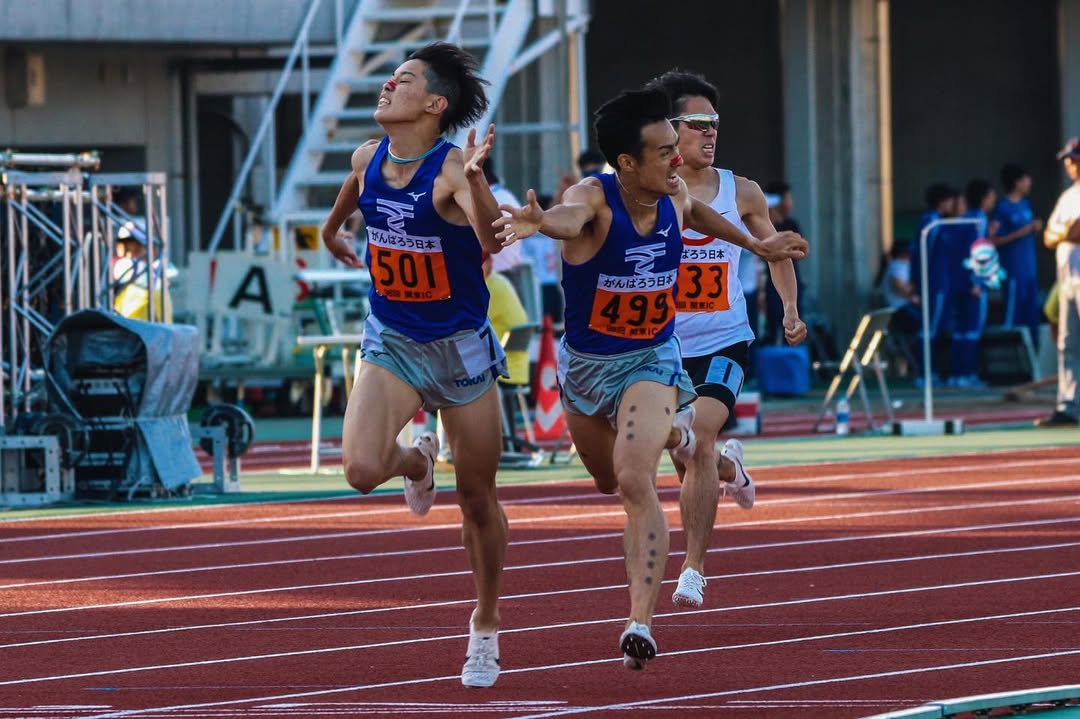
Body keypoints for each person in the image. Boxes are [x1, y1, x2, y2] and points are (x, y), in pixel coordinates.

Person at [493, 87, 807, 670]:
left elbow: (699, 214)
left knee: (636, 481)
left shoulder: (678, 192)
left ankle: (641, 619)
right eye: (665, 151)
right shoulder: (593, 197)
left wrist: (756, 244)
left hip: (655, 357)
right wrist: (540, 223)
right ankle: (682, 437)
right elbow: (569, 218)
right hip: (587, 369)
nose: (677, 159)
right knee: (606, 481)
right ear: (627, 162)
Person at [319, 42, 509, 688]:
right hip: (393, 338)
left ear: (434, 105)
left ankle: (485, 622)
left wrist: (478, 183)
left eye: (403, 80)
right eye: (390, 77)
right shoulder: (367, 158)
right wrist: (332, 234)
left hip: (460, 348)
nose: (387, 85)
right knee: (360, 469)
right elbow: (348, 201)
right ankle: (418, 463)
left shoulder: (451, 169)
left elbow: (493, 240)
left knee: (477, 499)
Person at [647, 71, 806, 610]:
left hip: (724, 339)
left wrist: (789, 309)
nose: (709, 132)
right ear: (669, 129)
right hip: (662, 346)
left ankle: (692, 568)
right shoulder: (645, 190)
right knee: (684, 449)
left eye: (713, 123)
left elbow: (774, 250)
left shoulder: (743, 191)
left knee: (696, 432)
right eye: (696, 123)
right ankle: (730, 468)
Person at [1035, 137, 1080, 427]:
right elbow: (1049, 236)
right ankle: (1070, 406)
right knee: (1068, 343)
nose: (1070, 164)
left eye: (1074, 159)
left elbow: (1076, 229)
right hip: (1067, 279)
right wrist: (1066, 231)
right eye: (1068, 160)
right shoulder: (1068, 196)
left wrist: (1063, 231)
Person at [991, 164, 1044, 349]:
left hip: (1030, 271)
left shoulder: (1026, 204)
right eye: (1026, 179)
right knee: (1013, 317)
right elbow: (994, 240)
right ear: (1017, 182)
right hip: (1014, 272)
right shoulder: (1002, 208)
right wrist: (1024, 231)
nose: (1030, 183)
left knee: (1032, 317)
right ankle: (1011, 356)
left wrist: (1035, 229)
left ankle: (1033, 358)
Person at [763, 181, 807, 346]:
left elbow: (801, 250)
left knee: (792, 319)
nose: (791, 202)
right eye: (789, 198)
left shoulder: (791, 224)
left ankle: (790, 352)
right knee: (773, 321)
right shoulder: (764, 224)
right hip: (770, 283)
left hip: (793, 280)